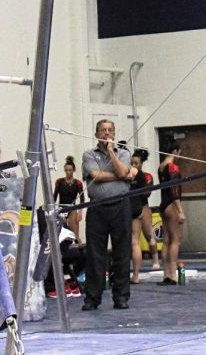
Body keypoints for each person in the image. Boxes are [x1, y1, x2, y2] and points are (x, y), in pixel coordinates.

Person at [81, 119, 135, 311]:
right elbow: (97, 176)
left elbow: (122, 169)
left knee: (122, 252)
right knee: (95, 254)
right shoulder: (89, 154)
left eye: (110, 130)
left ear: (114, 133)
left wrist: (112, 152)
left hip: (120, 206)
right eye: (103, 130)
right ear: (96, 134)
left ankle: (121, 297)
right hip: (97, 208)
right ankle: (92, 298)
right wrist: (121, 175)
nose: (106, 134)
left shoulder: (124, 153)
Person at [158, 142, 185, 285]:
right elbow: (174, 191)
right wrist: (180, 211)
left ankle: (165, 274)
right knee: (176, 239)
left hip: (163, 205)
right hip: (171, 205)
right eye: (179, 153)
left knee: (167, 240)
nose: (179, 156)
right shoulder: (173, 167)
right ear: (175, 151)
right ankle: (173, 274)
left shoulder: (161, 166)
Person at [130, 148, 160, 282]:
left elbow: (147, 193)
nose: (133, 165)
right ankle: (135, 274)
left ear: (141, 164)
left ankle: (155, 260)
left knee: (149, 236)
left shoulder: (146, 176)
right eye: (132, 163)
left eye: (136, 163)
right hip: (136, 207)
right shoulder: (130, 174)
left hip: (143, 207)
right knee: (134, 240)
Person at [53, 156, 85, 243]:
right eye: (66, 170)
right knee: (60, 233)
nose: (68, 172)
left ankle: (78, 249)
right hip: (61, 208)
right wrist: (52, 210)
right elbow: (54, 197)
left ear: (73, 170)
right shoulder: (59, 182)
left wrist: (80, 212)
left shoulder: (78, 183)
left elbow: (82, 199)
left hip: (72, 209)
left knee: (75, 234)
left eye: (70, 170)